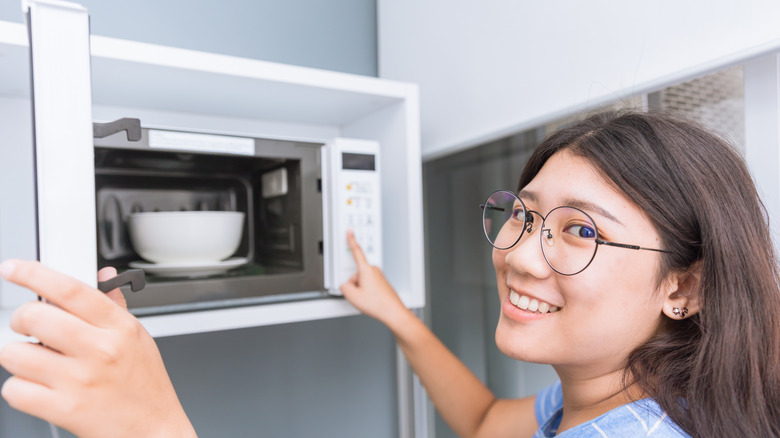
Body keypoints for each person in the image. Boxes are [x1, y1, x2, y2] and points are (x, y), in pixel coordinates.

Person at [1, 109, 779, 437]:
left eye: (580, 231)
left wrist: (153, 423)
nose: (517, 251)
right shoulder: (625, 390)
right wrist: (398, 316)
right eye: (526, 213)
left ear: (686, 286)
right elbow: (482, 423)